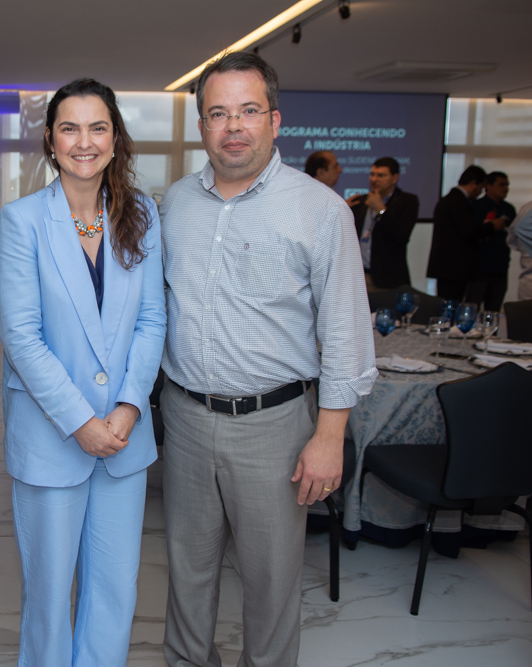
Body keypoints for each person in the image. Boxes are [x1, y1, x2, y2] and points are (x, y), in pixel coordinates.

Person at [159, 52, 376, 667]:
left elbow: (347, 334)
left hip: (276, 428)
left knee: (272, 586)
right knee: (187, 577)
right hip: (186, 418)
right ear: (201, 125)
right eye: (218, 113)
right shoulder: (173, 204)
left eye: (248, 111)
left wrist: (329, 436)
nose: (234, 126)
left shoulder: (320, 209)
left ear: (275, 120)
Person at [0, 78, 166, 667]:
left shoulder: (141, 215)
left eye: (98, 128)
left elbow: (152, 321)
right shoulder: (20, 222)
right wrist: (80, 421)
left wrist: (127, 407)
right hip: (51, 435)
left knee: (115, 590)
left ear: (116, 140)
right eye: (70, 128)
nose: (84, 141)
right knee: (47, 595)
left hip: (125, 433)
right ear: (50, 139)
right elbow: (20, 337)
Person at [427, 165, 502, 301]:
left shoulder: (449, 199)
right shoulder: (459, 202)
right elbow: (469, 232)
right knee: (451, 306)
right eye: (480, 187)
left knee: (447, 304)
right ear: (474, 183)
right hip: (454, 268)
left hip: (447, 267)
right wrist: (492, 226)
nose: (480, 192)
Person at [346, 157, 420, 291]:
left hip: (388, 279)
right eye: (372, 174)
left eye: (381, 175)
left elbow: (402, 235)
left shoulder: (407, 201)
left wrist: (381, 210)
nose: (375, 179)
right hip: (358, 276)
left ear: (394, 178)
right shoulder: (360, 202)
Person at [468, 171, 516, 310]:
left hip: (500, 268)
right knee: (472, 308)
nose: (505, 188)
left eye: (507, 185)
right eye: (501, 184)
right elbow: (471, 233)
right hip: (479, 269)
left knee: (493, 312)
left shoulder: (509, 209)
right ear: (488, 186)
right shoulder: (476, 207)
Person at [509, 196, 532, 300]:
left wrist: (529, 249)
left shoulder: (527, 208)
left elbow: (512, 240)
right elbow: (523, 229)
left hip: (528, 278)